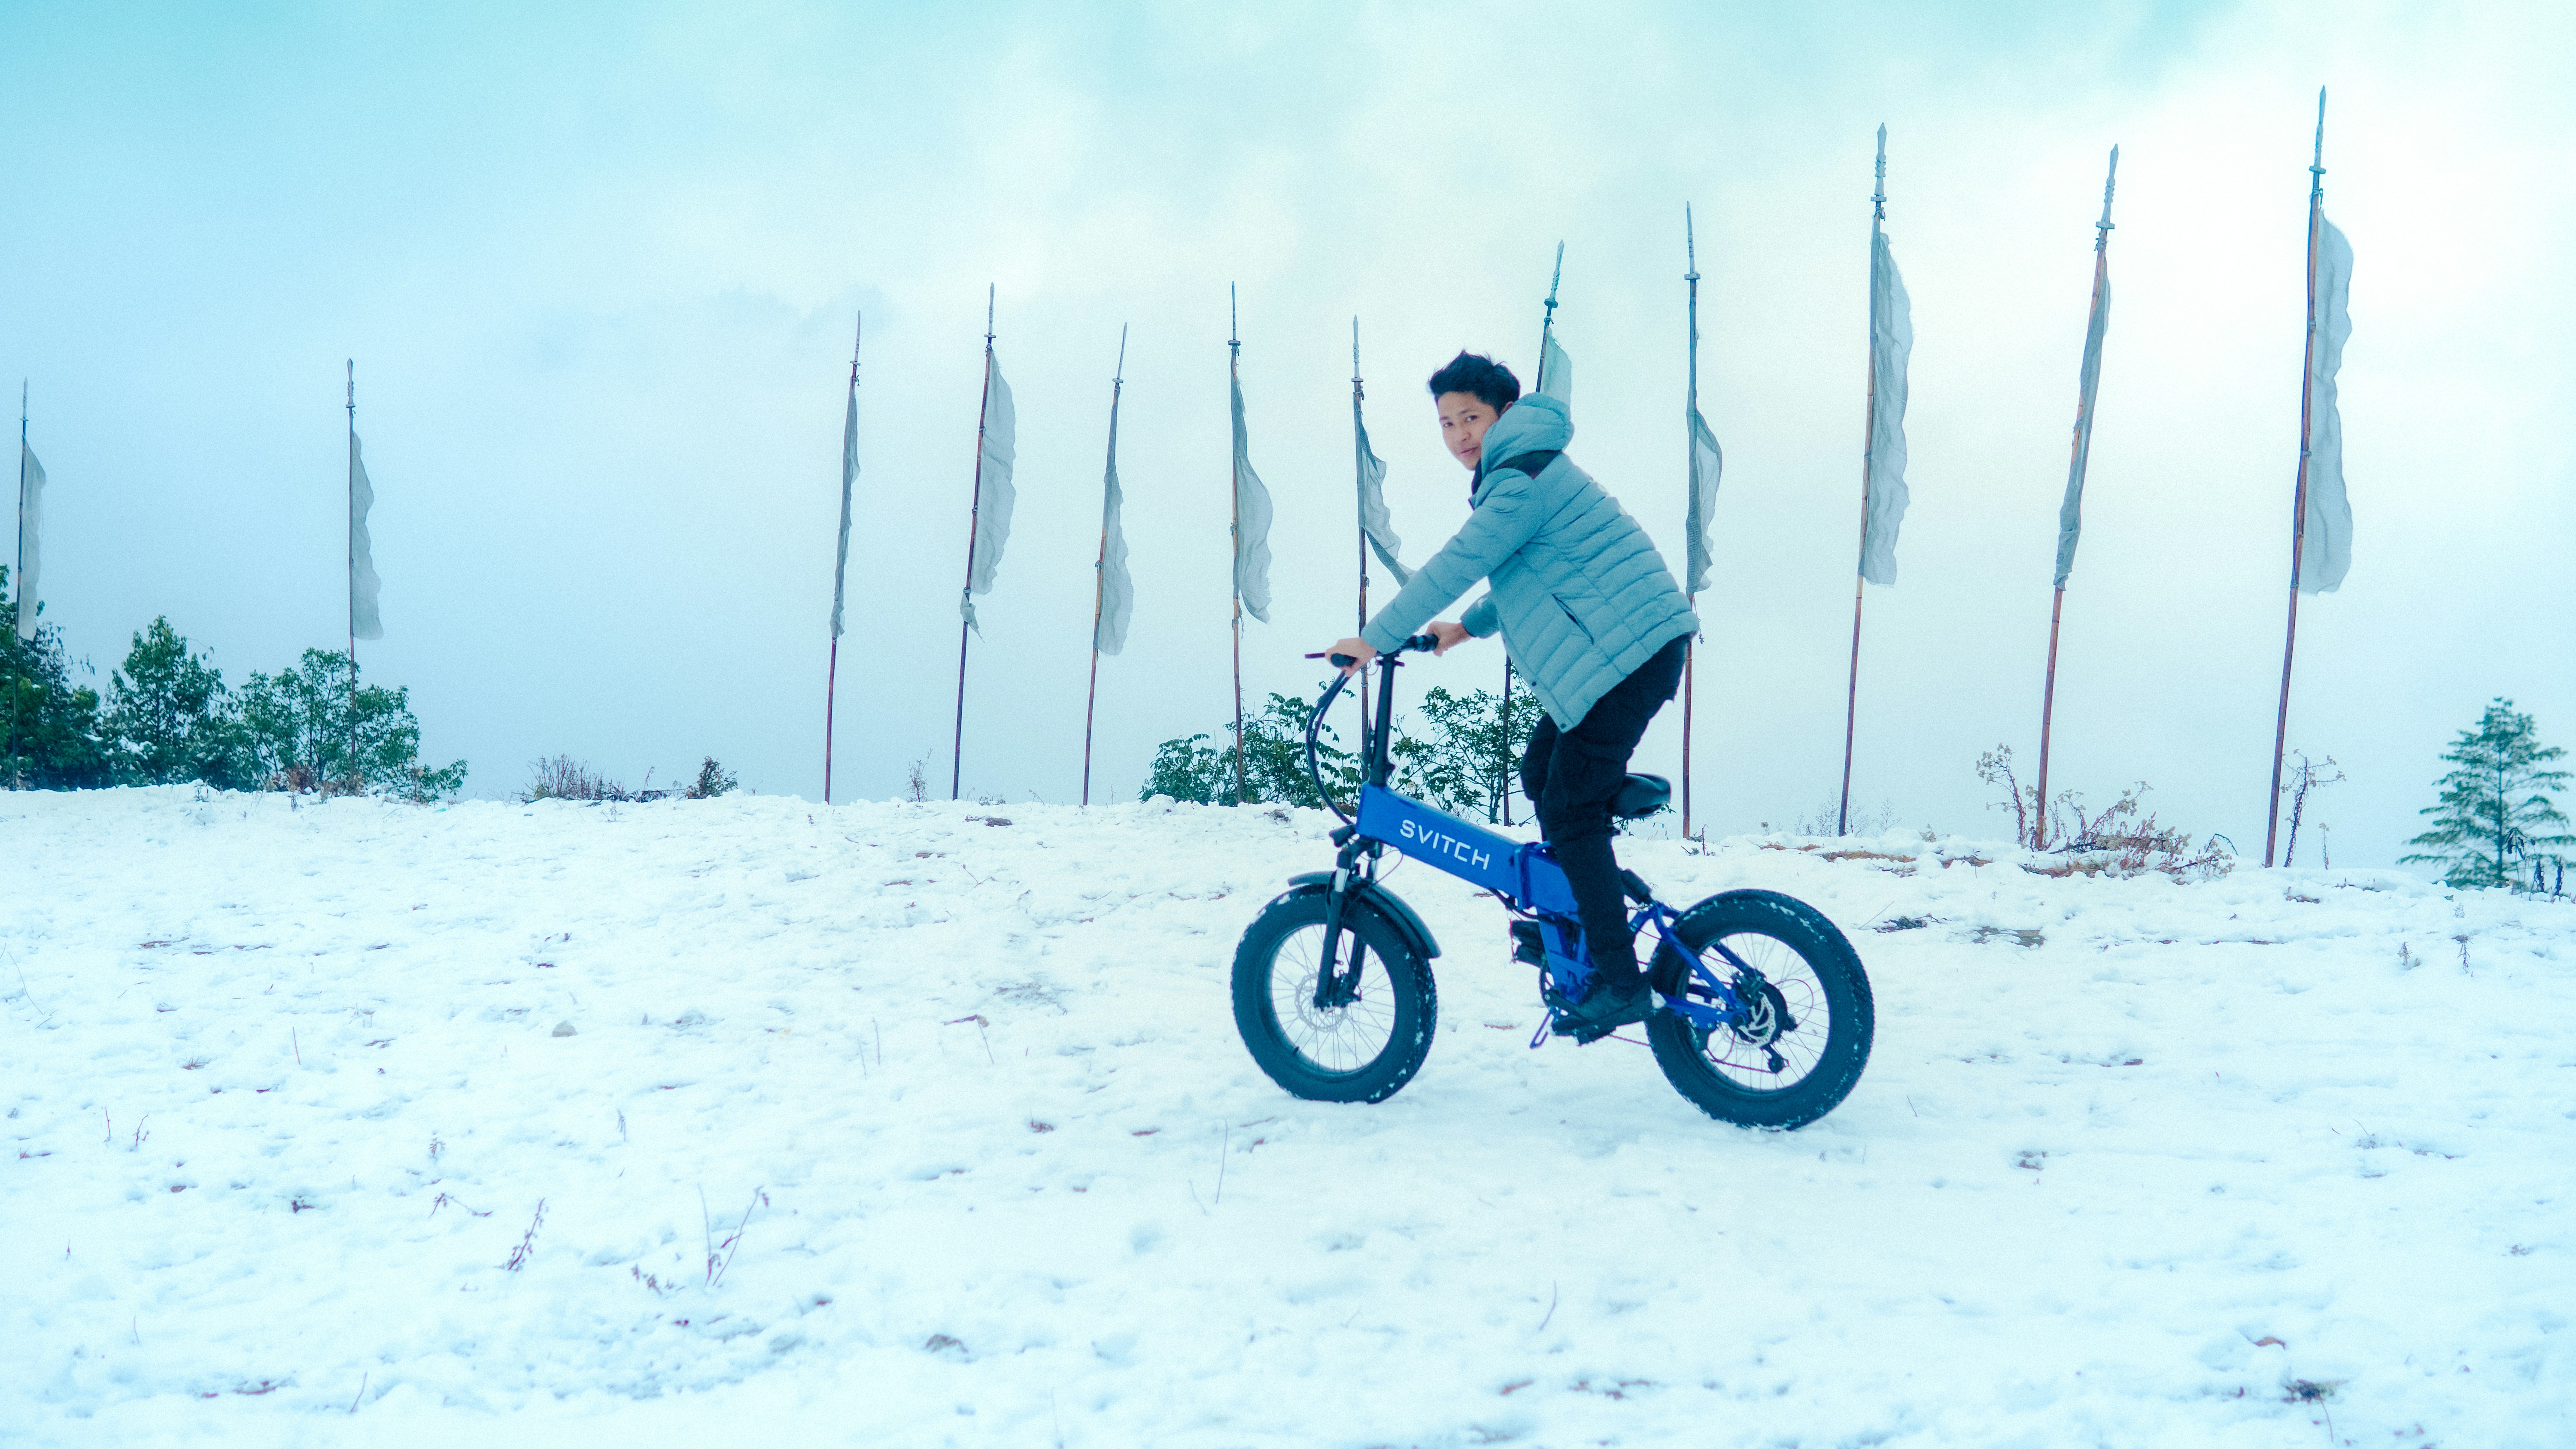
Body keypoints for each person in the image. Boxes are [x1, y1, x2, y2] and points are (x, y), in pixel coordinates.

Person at [1322, 352, 1695, 1033]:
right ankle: (1590, 901)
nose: (1461, 434)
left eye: (1472, 417)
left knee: (1571, 806)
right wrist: (1463, 630)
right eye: (1446, 423)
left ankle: (1620, 981)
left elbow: (1460, 562)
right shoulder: (1525, 472)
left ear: (1502, 414)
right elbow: (1530, 573)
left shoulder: (1519, 481)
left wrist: (1372, 638)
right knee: (1540, 774)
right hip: (1622, 655)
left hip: (1627, 657)